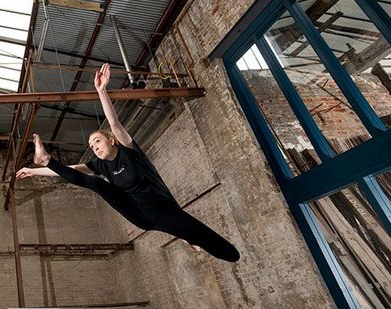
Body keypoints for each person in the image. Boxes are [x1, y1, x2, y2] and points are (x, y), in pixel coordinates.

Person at [16, 63, 240, 262]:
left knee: (223, 250)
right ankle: (46, 159)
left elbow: (114, 123)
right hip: (139, 214)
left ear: (111, 141)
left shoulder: (129, 152)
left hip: (164, 211)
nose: (94, 147)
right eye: (91, 147)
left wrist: (101, 91)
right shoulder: (101, 166)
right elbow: (71, 171)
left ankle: (194, 240)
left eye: (97, 141)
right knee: (97, 184)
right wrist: (36, 170)